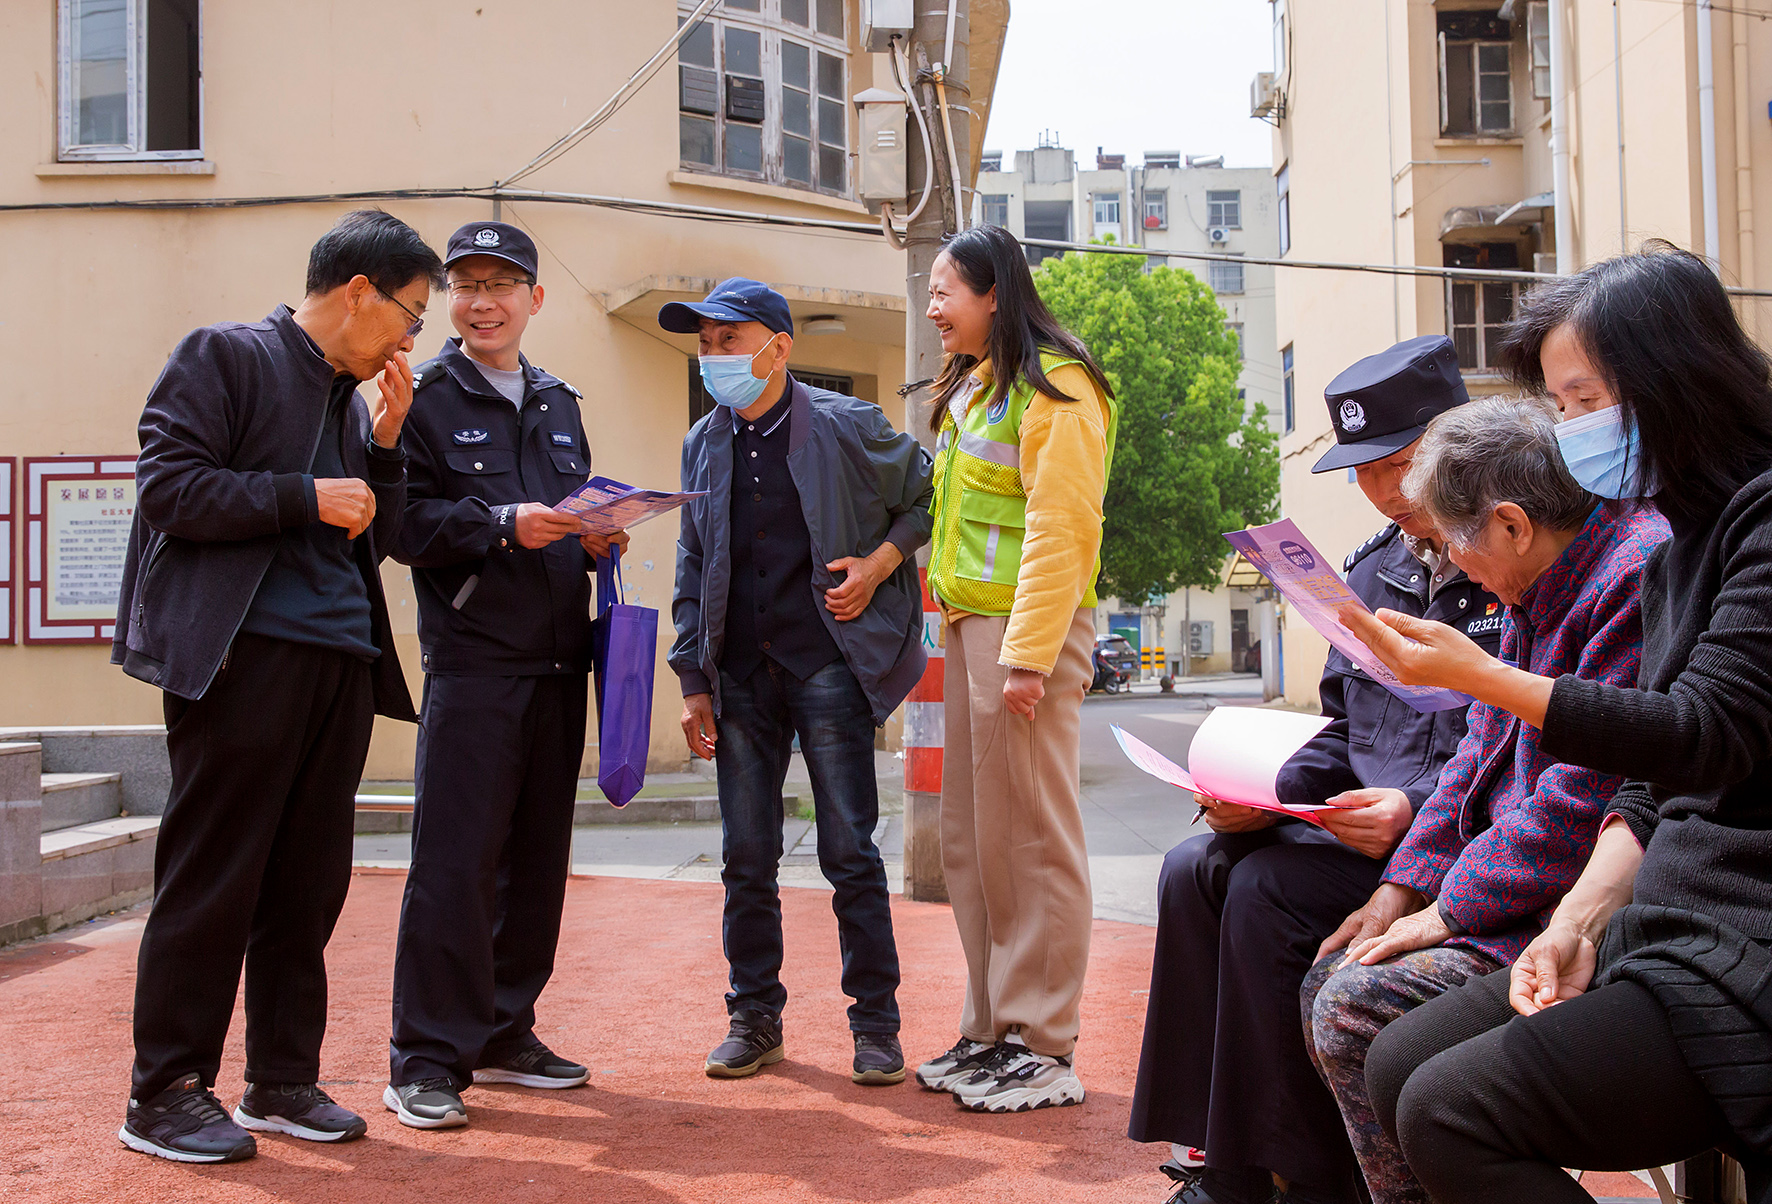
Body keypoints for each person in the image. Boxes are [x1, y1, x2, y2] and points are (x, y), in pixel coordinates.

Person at [1348, 244, 1772, 1204]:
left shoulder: (1750, 525)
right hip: (1659, 920)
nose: (1570, 431)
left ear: (1673, 382)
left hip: (1741, 944)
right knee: (1397, 1059)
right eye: (1560, 403)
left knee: (1448, 1108)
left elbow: (1704, 734)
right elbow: (1649, 786)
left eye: (1585, 402)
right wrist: (1581, 919)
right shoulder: (1682, 545)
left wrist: (1491, 680)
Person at [1129, 336, 1503, 1204]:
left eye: (1401, 465)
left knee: (1266, 894)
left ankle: (1297, 1177)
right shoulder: (1371, 573)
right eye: (1365, 472)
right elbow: (1345, 725)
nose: (1386, 491)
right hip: (1360, 828)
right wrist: (1262, 792)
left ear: (1457, 443)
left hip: (1460, 838)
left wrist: (1411, 807)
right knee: (1193, 869)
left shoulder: (1507, 560)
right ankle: (1220, 1155)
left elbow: (1509, 742)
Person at [112, 209, 442, 1162]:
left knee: (309, 884)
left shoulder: (353, 403)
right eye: (411, 316)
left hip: (339, 663)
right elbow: (169, 490)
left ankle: (282, 1080)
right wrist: (305, 496)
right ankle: (164, 1092)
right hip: (241, 657)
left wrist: (386, 445)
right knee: (215, 875)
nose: (411, 340)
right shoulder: (225, 356)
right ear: (358, 293)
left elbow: (379, 537)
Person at [1301, 395, 1668, 1204]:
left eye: (1454, 543)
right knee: (1333, 973)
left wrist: (1448, 908)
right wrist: (1400, 889)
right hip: (1515, 892)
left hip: (1580, 907)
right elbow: (1477, 755)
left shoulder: (1630, 575)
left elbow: (1581, 802)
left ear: (1510, 525)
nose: (1456, 568)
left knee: (1351, 1006)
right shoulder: (1538, 579)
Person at [383, 222, 627, 1130]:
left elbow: (567, 508)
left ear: (534, 298)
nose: (482, 302)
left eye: (501, 285)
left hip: (561, 658)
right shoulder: (421, 397)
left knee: (535, 863)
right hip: (475, 663)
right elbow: (399, 526)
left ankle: (503, 1030)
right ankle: (424, 1059)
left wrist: (595, 533)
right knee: (455, 866)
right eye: (467, 285)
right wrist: (499, 525)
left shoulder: (558, 401)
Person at [665, 278, 932, 1087]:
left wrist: (878, 564)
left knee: (850, 851)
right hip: (738, 674)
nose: (715, 356)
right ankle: (753, 1019)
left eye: (730, 340)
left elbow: (926, 498)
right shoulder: (702, 442)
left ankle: (876, 1027)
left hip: (828, 666)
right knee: (745, 856)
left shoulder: (849, 424)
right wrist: (692, 675)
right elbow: (692, 558)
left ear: (778, 348)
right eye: (706, 344)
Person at [907, 223, 1116, 1114]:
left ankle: (1043, 1040)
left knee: (1030, 839)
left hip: (1024, 641)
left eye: (945, 290)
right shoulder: (975, 390)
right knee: (973, 841)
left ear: (994, 293)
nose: (933, 307)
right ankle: (992, 1025)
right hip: (969, 631)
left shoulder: (1057, 388)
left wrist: (1028, 658)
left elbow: (1062, 532)